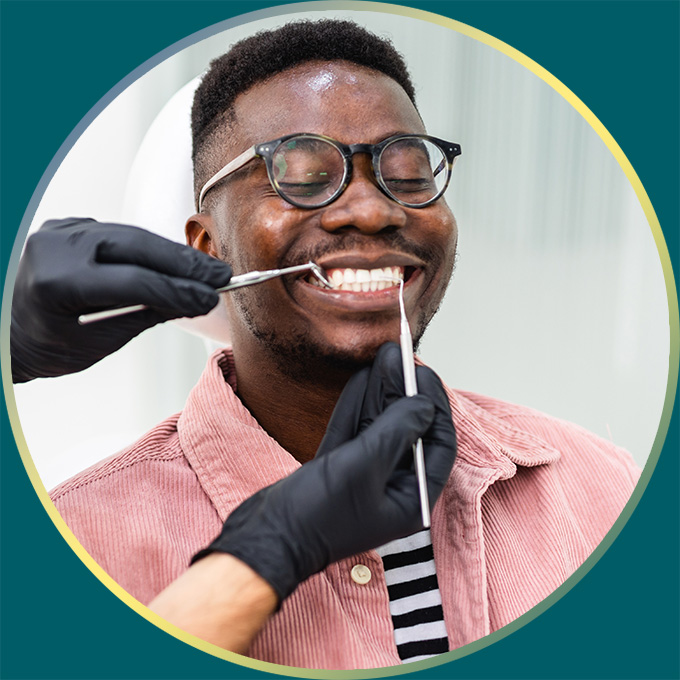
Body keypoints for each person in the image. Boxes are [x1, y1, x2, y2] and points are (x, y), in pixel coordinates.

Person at [12, 20, 639, 669]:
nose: (372, 211)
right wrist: (272, 547)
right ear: (207, 246)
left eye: (408, 170)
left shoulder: (597, 486)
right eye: (304, 175)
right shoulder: (79, 537)